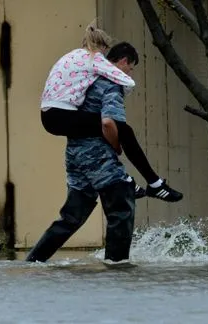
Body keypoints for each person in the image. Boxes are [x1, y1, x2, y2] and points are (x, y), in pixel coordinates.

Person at [27, 42, 145, 263]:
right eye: (131, 67)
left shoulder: (84, 80)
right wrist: (117, 146)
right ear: (123, 61)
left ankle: (33, 261)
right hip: (97, 156)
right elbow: (109, 123)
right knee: (121, 204)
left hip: (75, 155)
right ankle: (116, 265)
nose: (130, 72)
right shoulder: (111, 83)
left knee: (71, 217)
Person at [40, 23, 182, 202]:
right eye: (131, 67)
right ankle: (153, 183)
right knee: (121, 130)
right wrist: (120, 92)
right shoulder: (93, 58)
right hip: (62, 115)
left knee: (108, 132)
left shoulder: (71, 56)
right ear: (103, 48)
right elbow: (127, 81)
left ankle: (133, 181)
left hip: (49, 115)